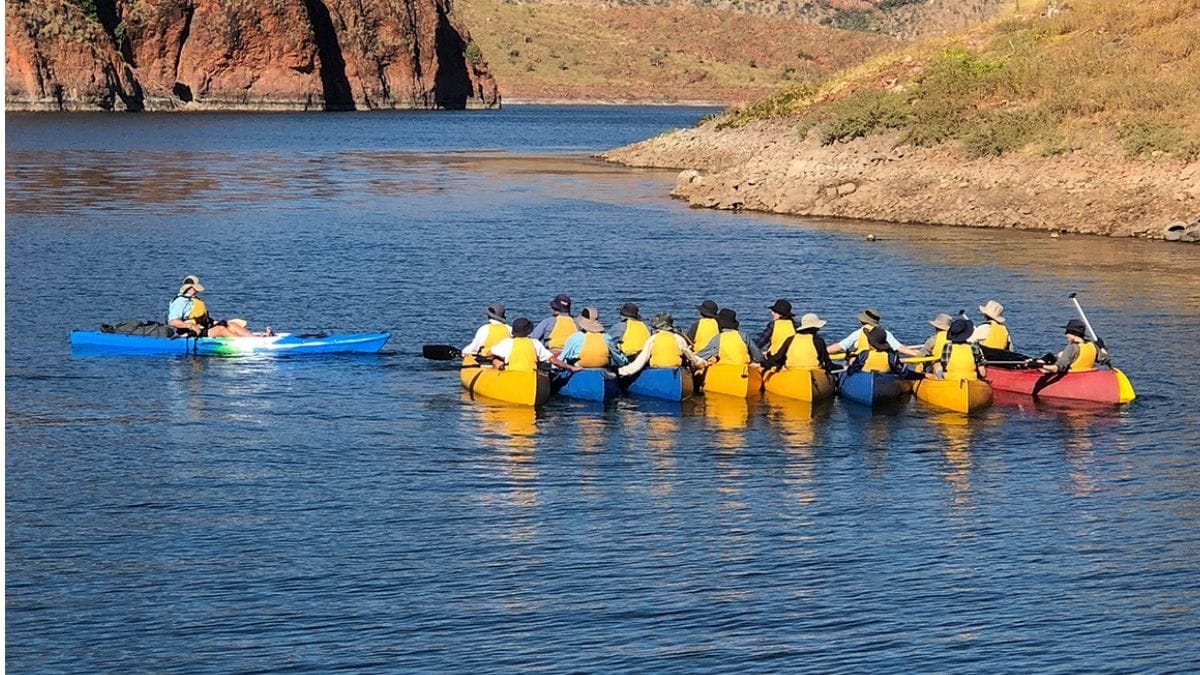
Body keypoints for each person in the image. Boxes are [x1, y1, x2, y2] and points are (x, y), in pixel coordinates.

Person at [618, 312, 706, 377]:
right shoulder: (678, 338)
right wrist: (702, 362)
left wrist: (622, 371)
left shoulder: (653, 339)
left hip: (657, 371)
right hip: (675, 371)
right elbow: (691, 356)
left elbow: (640, 361)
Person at [167, 276, 254, 337]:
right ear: (188, 288)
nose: (197, 291)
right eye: (194, 289)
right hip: (191, 332)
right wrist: (191, 326)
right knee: (220, 329)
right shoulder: (180, 301)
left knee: (231, 324)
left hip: (204, 328)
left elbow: (204, 319)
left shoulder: (195, 300)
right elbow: (172, 322)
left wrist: (214, 322)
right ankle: (243, 343)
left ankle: (255, 339)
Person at [489, 317, 579, 372]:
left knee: (495, 358)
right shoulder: (535, 343)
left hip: (512, 374)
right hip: (531, 375)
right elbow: (553, 360)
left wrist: (499, 359)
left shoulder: (507, 342)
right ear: (529, 331)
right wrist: (571, 367)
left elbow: (489, 353)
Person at [827, 308, 920, 357]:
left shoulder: (857, 333)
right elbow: (901, 348)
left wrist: (822, 352)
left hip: (862, 365)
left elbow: (840, 346)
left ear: (861, 322)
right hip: (881, 364)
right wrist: (918, 354)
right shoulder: (885, 333)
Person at [557, 306, 628, 368]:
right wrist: (625, 361)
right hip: (603, 370)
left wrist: (554, 366)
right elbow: (619, 359)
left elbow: (562, 358)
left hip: (578, 370)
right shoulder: (606, 337)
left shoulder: (575, 338)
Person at [762, 312, 833, 371]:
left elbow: (778, 358)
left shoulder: (790, 339)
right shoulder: (818, 341)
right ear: (815, 328)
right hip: (814, 374)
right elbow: (827, 363)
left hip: (793, 374)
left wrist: (762, 364)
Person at [697, 308, 765, 366]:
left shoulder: (718, 338)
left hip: (725, 371)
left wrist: (693, 356)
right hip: (743, 370)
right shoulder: (743, 336)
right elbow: (758, 356)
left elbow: (704, 355)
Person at [1040, 319, 1110, 374]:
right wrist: (1102, 347)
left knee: (1055, 358)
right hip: (1086, 374)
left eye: (1067, 332)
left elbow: (1058, 368)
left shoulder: (1072, 347)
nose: (1065, 334)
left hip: (1073, 376)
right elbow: (1105, 359)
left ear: (1073, 333)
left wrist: (1041, 366)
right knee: (1060, 354)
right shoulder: (1092, 345)